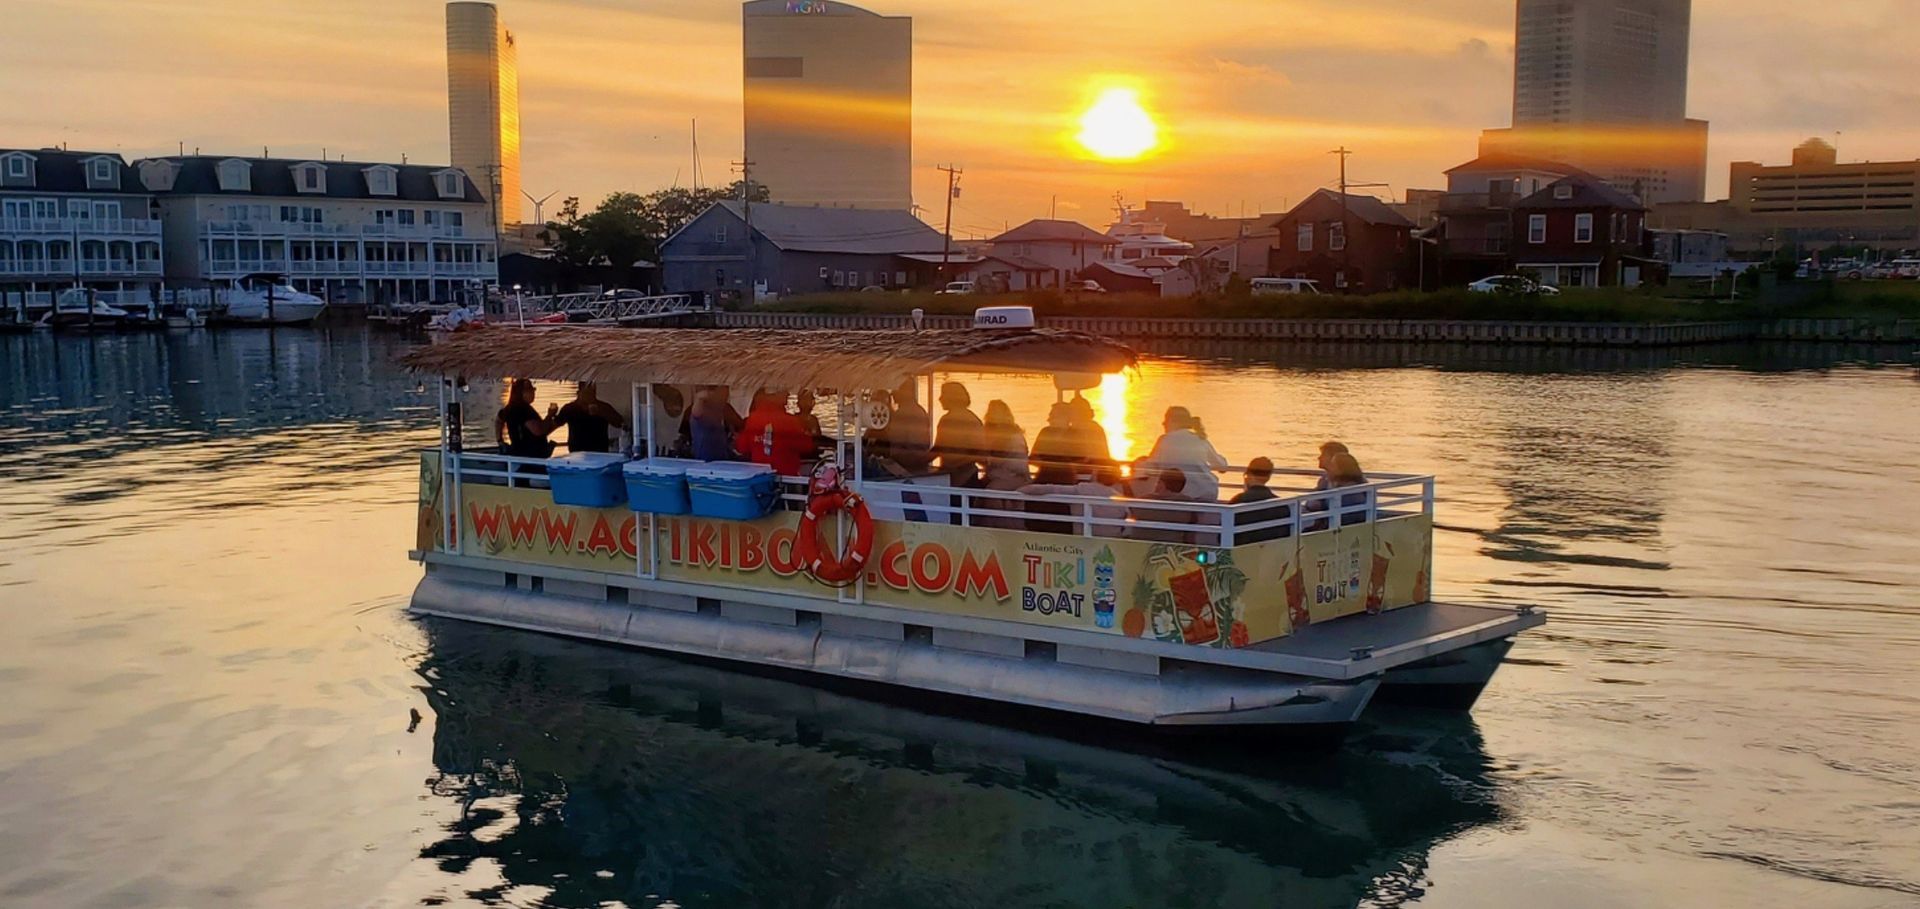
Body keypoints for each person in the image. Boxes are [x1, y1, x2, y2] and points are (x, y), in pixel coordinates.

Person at [1138, 406, 1229, 501]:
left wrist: (1139, 463)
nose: (1163, 424)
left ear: (1173, 421)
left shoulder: (1165, 440)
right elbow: (1222, 467)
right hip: (1206, 493)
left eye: (1166, 420)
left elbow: (1149, 468)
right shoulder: (1199, 439)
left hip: (1180, 496)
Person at [1020, 464, 1126, 537]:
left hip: (1081, 542)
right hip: (1111, 543)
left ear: (1095, 474)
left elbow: (1051, 489)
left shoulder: (1082, 489)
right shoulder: (1121, 499)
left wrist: (1021, 491)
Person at [737, 390, 813, 477]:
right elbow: (807, 446)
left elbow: (742, 447)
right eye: (784, 391)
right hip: (786, 475)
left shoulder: (752, 419)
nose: (788, 394)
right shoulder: (790, 421)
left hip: (760, 476)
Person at [870, 378, 934, 472]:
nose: (893, 395)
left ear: (906, 392)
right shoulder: (918, 411)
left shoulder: (904, 414)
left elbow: (906, 445)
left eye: (896, 391)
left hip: (906, 468)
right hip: (914, 465)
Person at [932, 381, 987, 487]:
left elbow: (938, 449)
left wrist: (917, 462)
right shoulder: (973, 419)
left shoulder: (948, 420)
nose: (940, 399)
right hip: (963, 476)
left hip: (960, 477)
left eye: (943, 395)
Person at [1129, 467, 1202, 543]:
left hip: (1139, 548)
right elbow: (1190, 536)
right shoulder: (1188, 505)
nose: (1156, 485)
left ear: (1162, 484)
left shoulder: (1142, 502)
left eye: (1158, 482)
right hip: (1171, 549)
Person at [1231, 457, 1293, 544]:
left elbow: (1221, 537)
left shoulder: (1237, 501)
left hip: (1241, 552)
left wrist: (1245, 490)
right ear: (1269, 477)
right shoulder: (1282, 505)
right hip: (1273, 552)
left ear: (1248, 474)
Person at [554, 382, 628, 454]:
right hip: (576, 453)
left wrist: (601, 413)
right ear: (579, 393)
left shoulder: (603, 407)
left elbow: (619, 422)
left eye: (593, 392)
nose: (591, 396)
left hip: (600, 452)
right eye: (588, 392)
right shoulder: (570, 408)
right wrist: (552, 415)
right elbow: (557, 423)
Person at [495, 378, 558, 459]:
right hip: (530, 456)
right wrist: (549, 415)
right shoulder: (523, 410)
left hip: (519, 453)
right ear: (521, 392)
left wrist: (500, 440)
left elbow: (498, 421)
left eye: (533, 389)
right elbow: (538, 430)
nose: (533, 392)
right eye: (530, 390)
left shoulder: (509, 408)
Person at [1028, 402, 1082, 484]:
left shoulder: (1075, 435)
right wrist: (1046, 464)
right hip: (1044, 476)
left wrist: (1063, 465)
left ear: (1065, 417)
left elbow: (1082, 460)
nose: (1048, 420)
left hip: (1066, 478)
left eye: (1053, 416)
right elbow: (1032, 458)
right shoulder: (1045, 432)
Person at [688, 386, 742, 462]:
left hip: (721, 462)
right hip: (705, 464)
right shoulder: (702, 409)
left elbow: (740, 425)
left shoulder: (725, 409)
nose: (726, 396)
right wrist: (699, 398)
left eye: (727, 393)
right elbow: (696, 413)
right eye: (724, 393)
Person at [1065, 395, 1112, 466]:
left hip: (1091, 468)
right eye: (1070, 411)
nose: (1070, 414)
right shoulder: (1073, 428)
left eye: (1073, 411)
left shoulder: (1090, 428)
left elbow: (1087, 456)